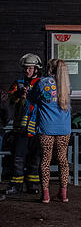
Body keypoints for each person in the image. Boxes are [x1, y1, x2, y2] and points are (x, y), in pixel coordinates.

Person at [31, 59, 71, 203]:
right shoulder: (67, 84)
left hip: (47, 127)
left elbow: (31, 98)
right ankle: (63, 193)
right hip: (64, 128)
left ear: (49, 69)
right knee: (63, 160)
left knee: (45, 161)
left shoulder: (42, 83)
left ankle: (46, 194)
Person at [5, 53, 43, 196]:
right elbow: (10, 100)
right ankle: (16, 185)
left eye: (30, 68)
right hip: (21, 128)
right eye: (26, 68)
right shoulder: (18, 83)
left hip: (37, 128)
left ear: (36, 69)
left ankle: (32, 185)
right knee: (18, 157)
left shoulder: (43, 83)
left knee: (35, 157)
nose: (27, 71)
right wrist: (18, 96)